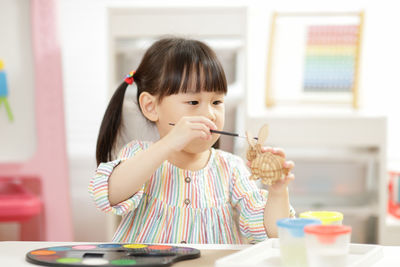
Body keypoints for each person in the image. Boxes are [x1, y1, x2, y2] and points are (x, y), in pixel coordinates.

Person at [89, 37, 295, 244]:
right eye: (193, 101)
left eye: (217, 102)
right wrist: (169, 143)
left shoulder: (231, 168)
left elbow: (273, 235)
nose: (209, 113)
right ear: (151, 107)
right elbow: (109, 195)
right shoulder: (138, 155)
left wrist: (278, 192)